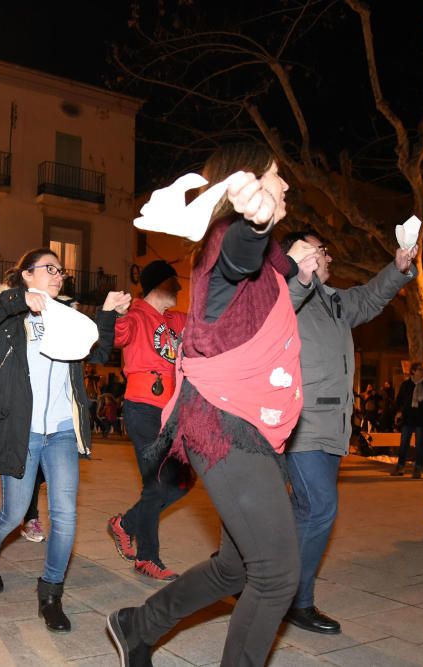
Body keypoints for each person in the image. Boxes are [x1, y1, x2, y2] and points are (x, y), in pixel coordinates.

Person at [108, 142, 320, 666]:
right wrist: (256, 223)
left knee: (237, 569)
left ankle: (139, 625)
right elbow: (237, 260)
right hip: (226, 427)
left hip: (246, 429)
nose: (286, 185)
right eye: (277, 175)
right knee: (276, 575)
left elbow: (266, 280)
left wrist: (294, 264)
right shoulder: (231, 239)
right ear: (245, 184)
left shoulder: (268, 265)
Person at [0, 248, 126, 633]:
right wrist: (16, 299)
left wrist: (106, 313)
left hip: (62, 431)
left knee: (65, 516)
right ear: (27, 275)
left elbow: (98, 349)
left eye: (60, 270)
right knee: (14, 515)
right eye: (49, 268)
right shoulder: (8, 316)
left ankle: (50, 592)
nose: (58, 275)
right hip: (23, 430)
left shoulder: (66, 316)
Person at [280, 228, 416, 635]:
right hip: (303, 423)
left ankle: (244, 564)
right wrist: (297, 275)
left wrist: (398, 267)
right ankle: (294, 602)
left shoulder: (335, 300)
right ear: (303, 253)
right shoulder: (287, 293)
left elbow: (372, 297)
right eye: (324, 250)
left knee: (297, 509)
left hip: (333, 424)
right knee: (319, 508)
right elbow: (280, 305)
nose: (330, 258)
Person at [106, 259, 190, 581]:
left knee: (181, 483)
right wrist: (116, 311)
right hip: (142, 406)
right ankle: (147, 558)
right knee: (155, 483)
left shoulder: (174, 320)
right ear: (160, 284)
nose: (180, 289)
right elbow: (116, 334)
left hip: (169, 411)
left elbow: (207, 323)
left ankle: (125, 524)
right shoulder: (137, 314)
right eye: (175, 283)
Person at [391, 363, 423, 478]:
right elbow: (400, 400)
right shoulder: (406, 384)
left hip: (421, 417)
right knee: (404, 443)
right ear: (413, 371)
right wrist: (398, 412)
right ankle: (400, 466)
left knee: (419, 444)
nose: (422, 371)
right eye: (420, 369)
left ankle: (418, 468)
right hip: (408, 417)